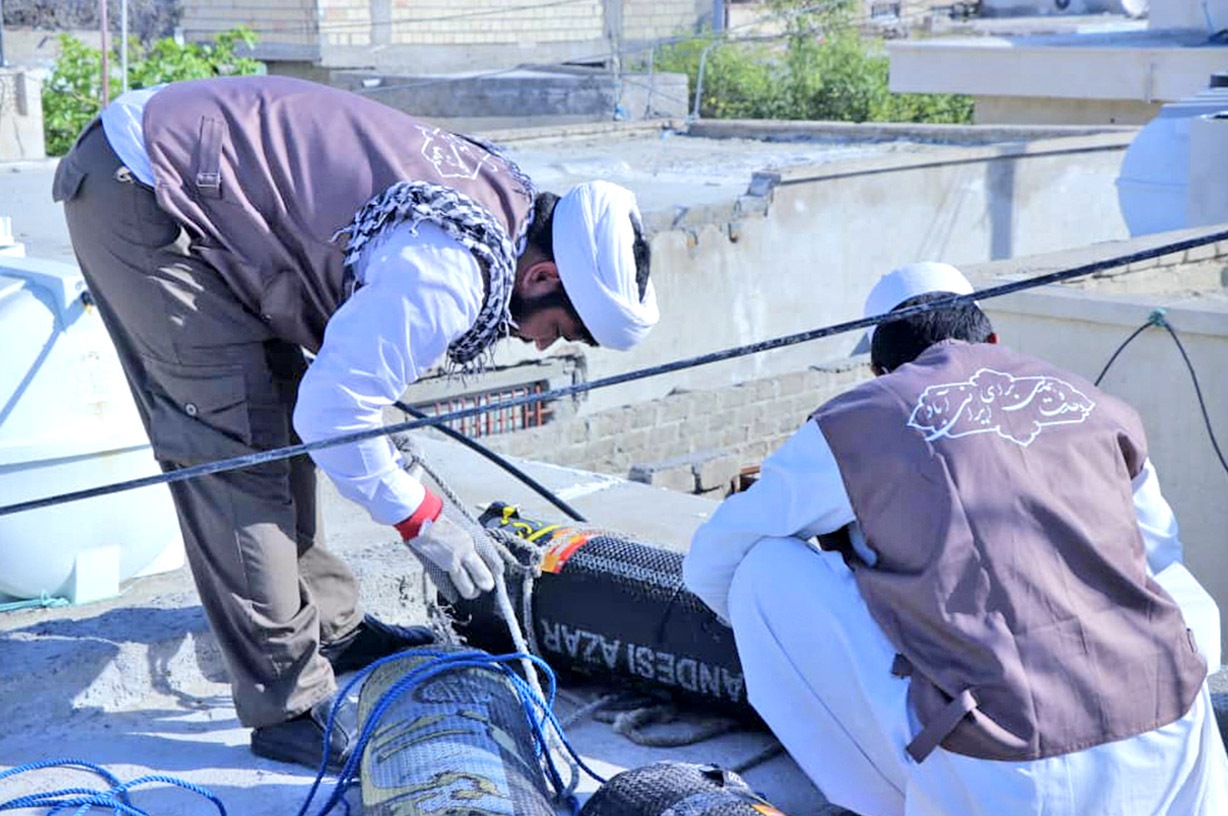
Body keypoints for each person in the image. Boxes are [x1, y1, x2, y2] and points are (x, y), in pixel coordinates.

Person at [53, 75, 658, 771]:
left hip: (205, 180)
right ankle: (286, 700)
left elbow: (328, 400)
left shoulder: (506, 205)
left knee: (279, 413)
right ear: (543, 278)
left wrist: (387, 461)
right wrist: (421, 518)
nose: (545, 347)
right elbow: (334, 413)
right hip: (148, 190)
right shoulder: (447, 274)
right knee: (234, 445)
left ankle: (330, 626)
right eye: (562, 330)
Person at [683, 262, 1228, 816]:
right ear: (991, 340)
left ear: (878, 370)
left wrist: (884, 591)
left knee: (762, 571)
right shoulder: (1095, 403)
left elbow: (714, 559)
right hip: (1179, 735)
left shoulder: (858, 422)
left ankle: (896, 798)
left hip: (1009, 771)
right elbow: (1162, 559)